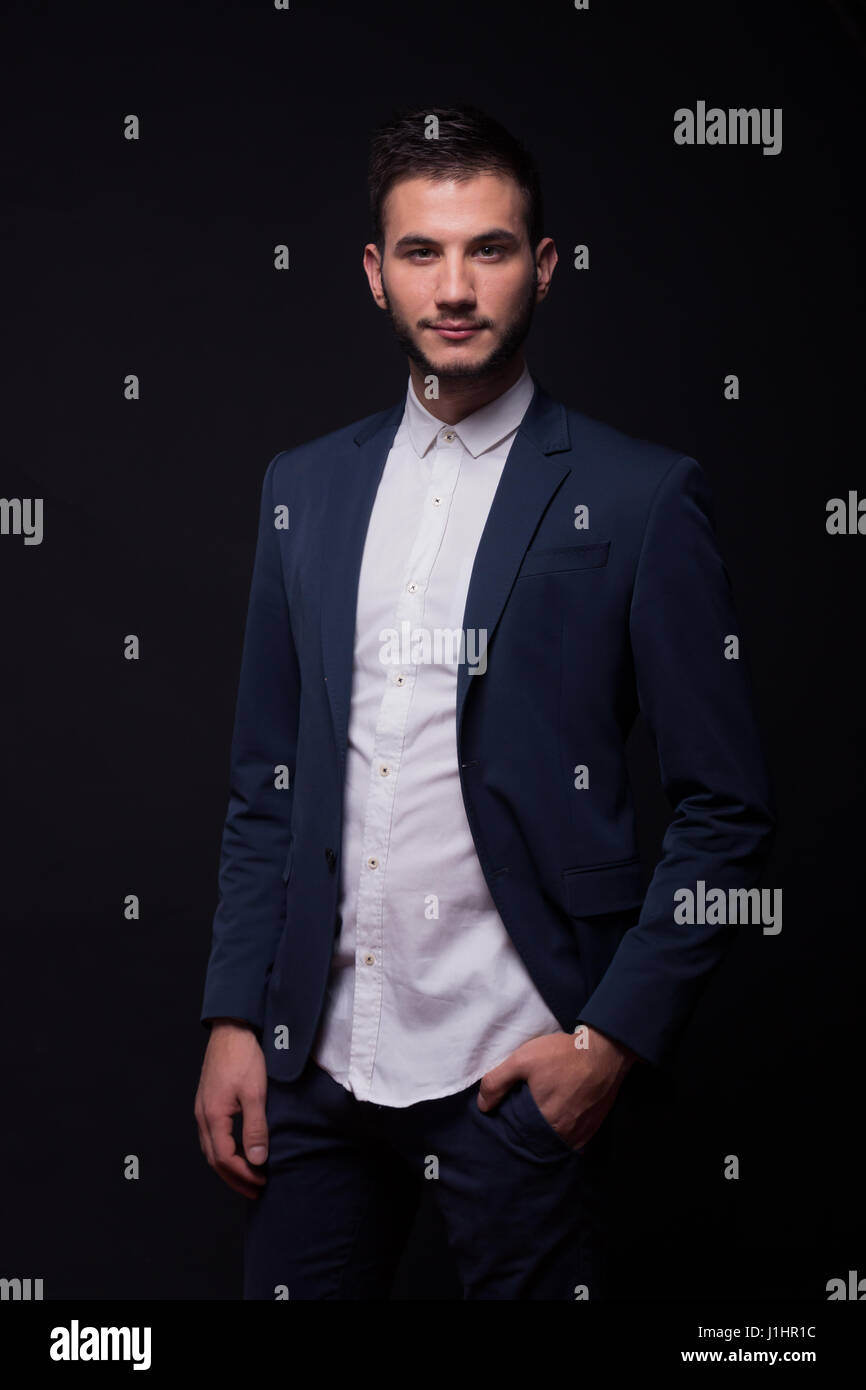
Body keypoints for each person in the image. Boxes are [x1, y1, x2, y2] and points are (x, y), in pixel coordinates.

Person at [194, 104, 776, 1300]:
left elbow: (725, 811)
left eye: (489, 249)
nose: (453, 287)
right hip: (316, 1068)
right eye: (420, 251)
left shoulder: (639, 499)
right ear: (373, 273)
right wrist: (234, 1014)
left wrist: (606, 1045)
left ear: (543, 268)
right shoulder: (302, 487)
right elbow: (267, 783)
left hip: (517, 1072)